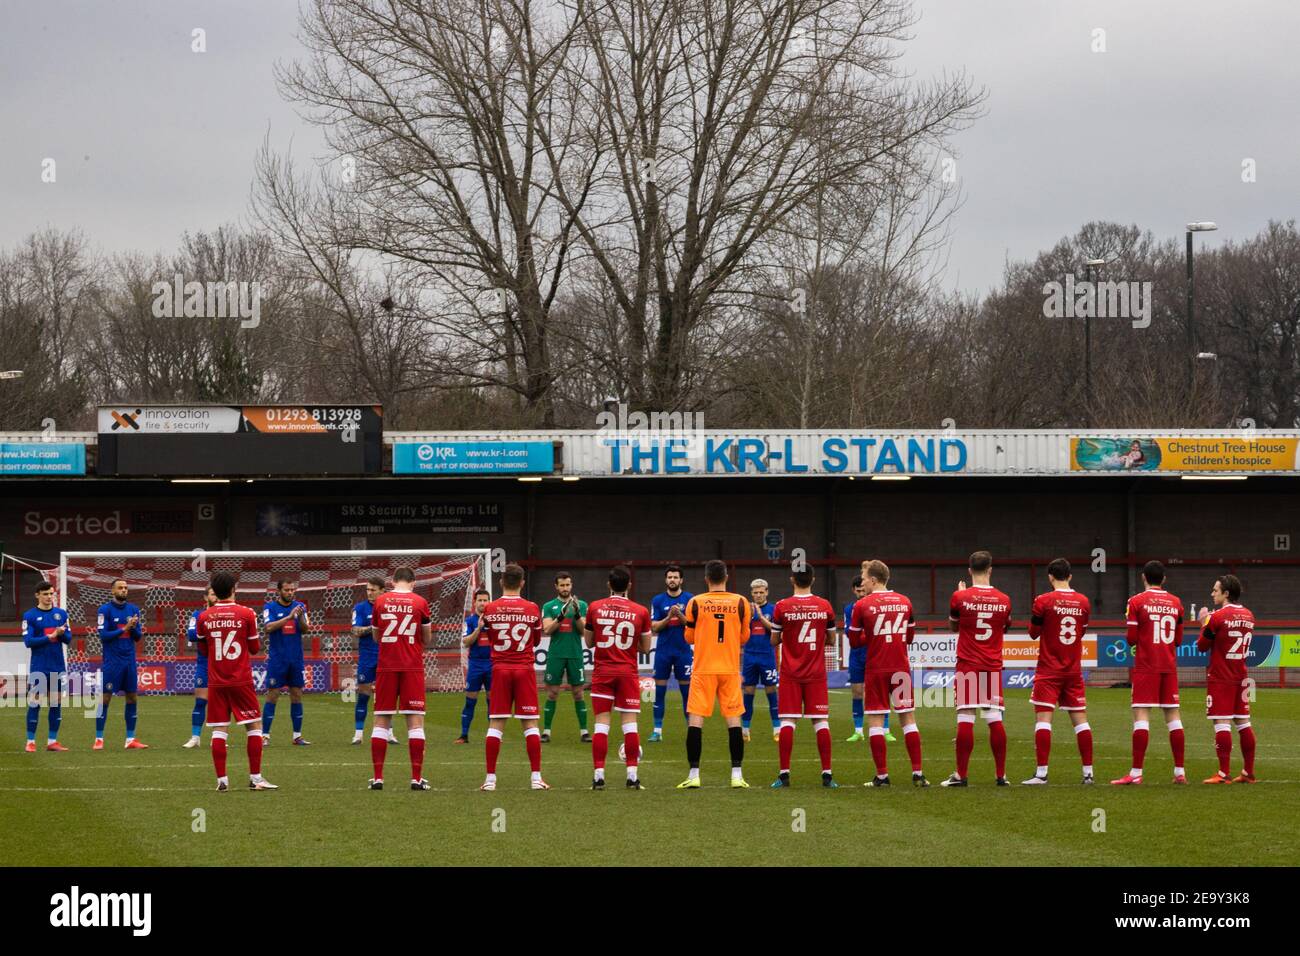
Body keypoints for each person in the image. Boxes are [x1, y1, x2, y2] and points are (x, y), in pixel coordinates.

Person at [195, 571, 277, 791]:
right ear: (233, 589)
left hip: (216, 681)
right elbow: (254, 648)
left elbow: (203, 649)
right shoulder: (246, 613)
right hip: (240, 680)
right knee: (254, 726)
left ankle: (222, 781)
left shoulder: (204, 617)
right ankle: (256, 778)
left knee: (219, 729)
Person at [848, 560, 927, 787]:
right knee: (908, 719)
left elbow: (854, 641)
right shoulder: (905, 601)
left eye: (863, 578)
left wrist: (872, 637)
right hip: (900, 668)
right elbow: (909, 638)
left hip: (876, 668)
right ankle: (918, 774)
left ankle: (882, 776)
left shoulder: (862, 605)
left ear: (873, 579)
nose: (861, 583)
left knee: (875, 720)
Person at [1111, 561, 1187, 785]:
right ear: (1164, 579)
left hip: (1146, 666)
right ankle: (1179, 772)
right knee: (1173, 717)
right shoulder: (1176, 603)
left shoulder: (1135, 601)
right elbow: (1179, 640)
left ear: (1143, 577)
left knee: (1141, 716)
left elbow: (1132, 638)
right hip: (1169, 666)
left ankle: (1135, 774)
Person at [677, 561, 750, 789]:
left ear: (706, 578)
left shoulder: (695, 602)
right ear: (726, 577)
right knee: (734, 721)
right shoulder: (741, 602)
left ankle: (694, 774)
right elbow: (744, 637)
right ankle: (737, 776)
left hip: (703, 669)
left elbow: (689, 638)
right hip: (728, 669)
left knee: (696, 721)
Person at [941, 551, 1011, 787]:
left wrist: (961, 594)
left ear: (970, 570)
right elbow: (1005, 627)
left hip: (968, 663)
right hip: (991, 664)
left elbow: (953, 627)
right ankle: (1001, 775)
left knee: (966, 716)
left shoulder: (960, 597)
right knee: (993, 717)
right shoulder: (1004, 599)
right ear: (990, 570)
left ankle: (961, 775)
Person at [1023, 559, 1094, 785]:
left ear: (1050, 577)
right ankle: (1088, 773)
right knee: (1080, 720)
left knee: (1044, 719)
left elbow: (1033, 633)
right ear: (1070, 576)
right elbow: (1080, 633)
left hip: (1048, 670)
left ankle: (1042, 774)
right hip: (1073, 670)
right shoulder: (1083, 602)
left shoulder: (1043, 601)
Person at [479, 564, 548, 791]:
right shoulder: (532, 608)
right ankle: (536, 778)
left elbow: (488, 634)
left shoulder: (490, 608)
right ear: (522, 583)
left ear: (501, 582)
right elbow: (536, 641)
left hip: (500, 669)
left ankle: (490, 780)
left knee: (496, 723)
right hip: (524, 669)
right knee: (530, 724)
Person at [583, 566, 652, 790]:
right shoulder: (640, 611)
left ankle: (598, 776)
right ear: (629, 585)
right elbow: (645, 647)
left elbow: (589, 642)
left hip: (603, 671)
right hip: (627, 672)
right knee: (629, 725)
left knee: (601, 725)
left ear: (609, 585)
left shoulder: (595, 607)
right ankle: (632, 776)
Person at [769, 569, 838, 788]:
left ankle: (784, 774)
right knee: (820, 722)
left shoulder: (782, 606)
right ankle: (827, 775)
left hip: (790, 672)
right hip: (816, 673)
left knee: (788, 721)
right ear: (814, 580)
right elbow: (832, 639)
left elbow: (774, 640)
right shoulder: (824, 606)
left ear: (792, 580)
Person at [367, 567, 433, 791]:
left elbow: (376, 636)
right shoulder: (420, 602)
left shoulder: (380, 601)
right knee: (414, 722)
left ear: (393, 581)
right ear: (413, 582)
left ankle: (378, 778)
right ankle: (416, 778)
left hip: (386, 666)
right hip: (412, 667)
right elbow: (427, 638)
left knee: (381, 720)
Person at [1197, 574, 1257, 784]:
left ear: (1226, 593)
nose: (1212, 593)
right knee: (1243, 722)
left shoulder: (1217, 617)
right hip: (1241, 675)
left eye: (1216, 590)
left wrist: (1204, 621)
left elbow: (1202, 645)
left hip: (1221, 677)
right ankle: (1248, 772)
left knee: (1221, 722)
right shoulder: (1249, 615)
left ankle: (1223, 773)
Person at [94, 579, 149, 750]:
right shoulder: (104, 610)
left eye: (126, 588)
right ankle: (99, 739)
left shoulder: (133, 610)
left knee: (132, 697)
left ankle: (130, 739)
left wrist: (132, 627)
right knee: (105, 698)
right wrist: (124, 628)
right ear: (113, 591)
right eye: (120, 588)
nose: (124, 590)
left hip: (129, 661)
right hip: (112, 662)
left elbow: (138, 637)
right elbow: (103, 636)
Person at [540, 573, 590, 742]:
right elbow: (547, 629)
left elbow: (584, 630)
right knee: (552, 693)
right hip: (556, 654)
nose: (565, 588)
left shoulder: (582, 605)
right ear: (556, 586)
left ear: (571, 585)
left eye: (567, 585)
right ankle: (546, 732)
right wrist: (561, 616)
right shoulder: (549, 606)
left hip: (575, 654)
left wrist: (575, 614)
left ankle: (584, 732)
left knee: (578, 693)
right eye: (562, 585)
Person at [22, 582, 71, 753]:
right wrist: (50, 636)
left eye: (51, 594)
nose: (49, 597)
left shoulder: (61, 614)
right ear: (37, 595)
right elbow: (28, 642)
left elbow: (68, 639)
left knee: (55, 704)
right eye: (45, 594)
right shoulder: (30, 616)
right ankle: (30, 742)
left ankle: (52, 741)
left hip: (57, 666)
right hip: (39, 667)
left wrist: (62, 633)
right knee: (35, 703)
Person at [261, 580, 311, 746]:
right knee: (272, 695)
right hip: (278, 660)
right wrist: (289, 617)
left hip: (296, 659)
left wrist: (301, 616)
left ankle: (297, 736)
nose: (290, 592)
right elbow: (268, 627)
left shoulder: (300, 606)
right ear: (279, 591)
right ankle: (265, 736)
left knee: (296, 695)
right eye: (287, 590)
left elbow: (305, 629)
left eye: (292, 590)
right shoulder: (270, 608)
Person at [649, 565, 694, 741]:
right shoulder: (658, 600)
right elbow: (654, 627)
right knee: (659, 692)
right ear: (666, 580)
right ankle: (657, 731)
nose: (672, 580)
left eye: (676, 577)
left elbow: (692, 625)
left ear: (681, 580)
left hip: (683, 651)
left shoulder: (690, 599)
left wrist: (680, 615)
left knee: (687, 692)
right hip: (663, 652)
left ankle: (691, 729)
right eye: (670, 577)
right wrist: (668, 617)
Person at [352, 576, 399, 745]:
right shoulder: (360, 608)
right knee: (363, 695)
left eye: (373, 590)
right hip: (367, 657)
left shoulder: (391, 607)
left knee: (386, 697)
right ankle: (358, 734)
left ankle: (389, 733)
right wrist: (373, 628)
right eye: (368, 590)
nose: (369, 593)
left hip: (387, 657)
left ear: (382, 591)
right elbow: (356, 630)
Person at [741, 578, 780, 743]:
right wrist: (750, 615)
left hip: (767, 656)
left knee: (771, 692)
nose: (758, 595)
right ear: (751, 593)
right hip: (749, 655)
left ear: (767, 592)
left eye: (761, 592)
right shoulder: (745, 610)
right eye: (755, 592)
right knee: (748, 693)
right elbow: (740, 631)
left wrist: (760, 615)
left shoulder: (773, 609)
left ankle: (777, 730)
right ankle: (745, 730)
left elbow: (774, 629)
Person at [183, 586, 217, 749]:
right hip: (204, 663)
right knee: (200, 701)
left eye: (217, 593)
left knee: (219, 703)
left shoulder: (224, 615)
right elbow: (191, 635)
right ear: (206, 597)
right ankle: (195, 737)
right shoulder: (197, 615)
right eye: (212, 594)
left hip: (221, 664)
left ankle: (217, 738)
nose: (215, 596)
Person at [456, 589, 492, 743]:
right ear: (475, 602)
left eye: (485, 600)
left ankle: (493, 735)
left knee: (492, 701)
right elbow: (465, 642)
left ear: (489, 602)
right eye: (480, 600)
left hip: (492, 664)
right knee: (470, 700)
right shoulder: (470, 621)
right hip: (476, 665)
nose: (483, 603)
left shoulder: (495, 620)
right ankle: (464, 735)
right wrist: (478, 629)